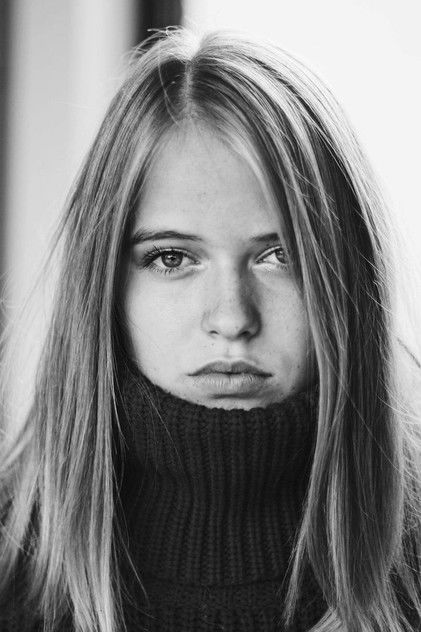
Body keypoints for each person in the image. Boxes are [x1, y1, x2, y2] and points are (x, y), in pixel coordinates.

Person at [0, 27, 420, 632]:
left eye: (282, 257)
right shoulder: (14, 566)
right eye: (172, 258)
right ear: (103, 286)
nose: (231, 319)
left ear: (349, 280)